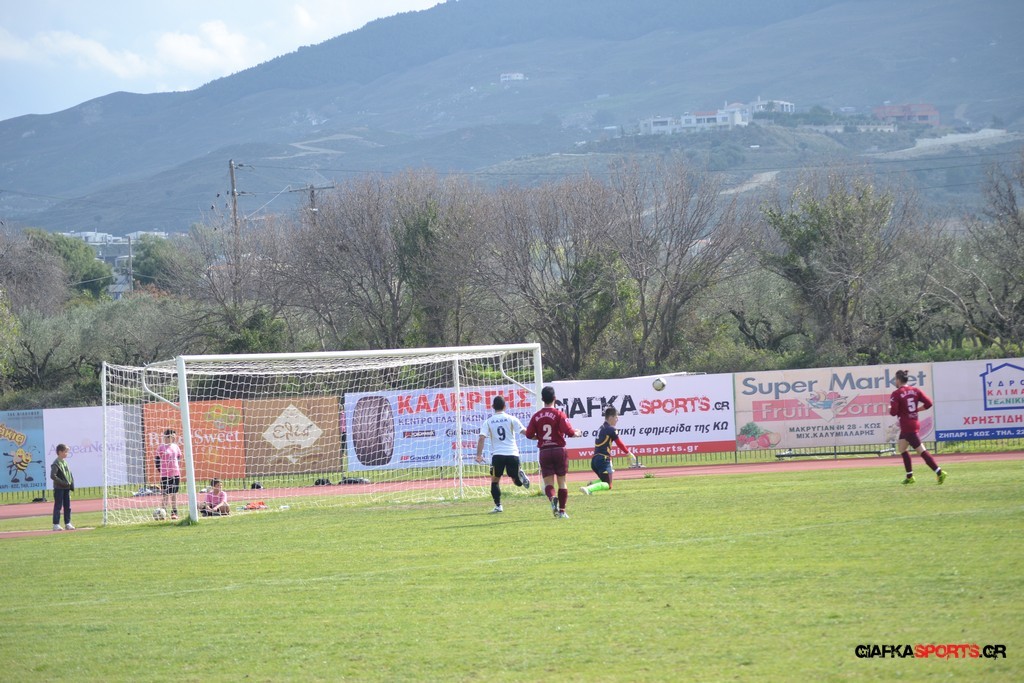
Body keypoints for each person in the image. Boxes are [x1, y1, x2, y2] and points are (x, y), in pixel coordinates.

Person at [525, 385, 580, 519]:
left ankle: (552, 498)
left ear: (542, 399)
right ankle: (562, 511)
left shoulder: (536, 416)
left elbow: (528, 434)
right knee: (562, 482)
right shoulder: (559, 414)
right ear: (555, 398)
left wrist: (540, 437)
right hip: (559, 450)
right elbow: (569, 432)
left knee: (548, 483)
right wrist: (578, 433)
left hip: (544, 451)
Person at [889, 369, 946, 485]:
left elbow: (893, 412)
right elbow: (929, 403)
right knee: (902, 448)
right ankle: (909, 476)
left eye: (895, 379)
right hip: (913, 423)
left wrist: (890, 408)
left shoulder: (896, 393)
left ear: (898, 380)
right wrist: (917, 410)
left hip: (907, 426)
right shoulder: (915, 390)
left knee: (921, 451)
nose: (895, 382)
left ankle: (939, 472)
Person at [475, 395, 531, 513]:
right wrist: (537, 436)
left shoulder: (488, 421)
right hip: (513, 454)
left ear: (492, 407)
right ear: (505, 406)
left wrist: (479, 455)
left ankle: (498, 506)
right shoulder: (511, 418)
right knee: (517, 482)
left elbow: (481, 438)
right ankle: (520, 475)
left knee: (495, 481)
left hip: (498, 456)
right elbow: (524, 432)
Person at [581, 407, 635, 495]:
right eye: (616, 417)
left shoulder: (601, 428)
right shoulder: (611, 429)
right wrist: (628, 453)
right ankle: (588, 489)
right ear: (611, 418)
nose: (617, 419)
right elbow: (619, 443)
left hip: (595, 459)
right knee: (608, 485)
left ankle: (591, 484)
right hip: (603, 459)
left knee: (605, 480)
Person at [158, 428, 183, 519]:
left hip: (175, 474)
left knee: (174, 494)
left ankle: (174, 512)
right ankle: (163, 513)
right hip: (165, 475)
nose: (173, 438)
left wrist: (176, 467)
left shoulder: (176, 447)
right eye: (171, 436)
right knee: (165, 494)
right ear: (166, 437)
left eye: (174, 436)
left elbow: (179, 457)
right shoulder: (161, 447)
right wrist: (161, 470)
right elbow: (157, 460)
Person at [50, 443, 75, 531]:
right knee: (58, 506)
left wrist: (70, 483)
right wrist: (62, 482)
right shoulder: (56, 463)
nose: (67, 454)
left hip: (66, 488)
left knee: (67, 506)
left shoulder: (65, 462)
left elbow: (68, 474)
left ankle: (67, 523)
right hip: (59, 488)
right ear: (60, 452)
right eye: (65, 452)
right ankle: (56, 524)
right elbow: (53, 476)